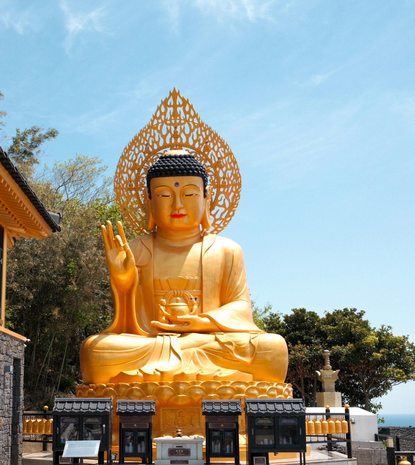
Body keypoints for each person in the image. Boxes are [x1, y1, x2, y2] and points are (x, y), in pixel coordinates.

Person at [80, 151, 287, 384]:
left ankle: (167, 370)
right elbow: (127, 325)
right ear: (149, 202)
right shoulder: (135, 250)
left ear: (206, 199)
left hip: (206, 342)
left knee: (272, 347)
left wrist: (203, 323)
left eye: (189, 193)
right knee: (96, 350)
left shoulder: (226, 249)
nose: (177, 204)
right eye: (164, 195)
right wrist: (124, 280)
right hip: (151, 343)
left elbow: (240, 306)